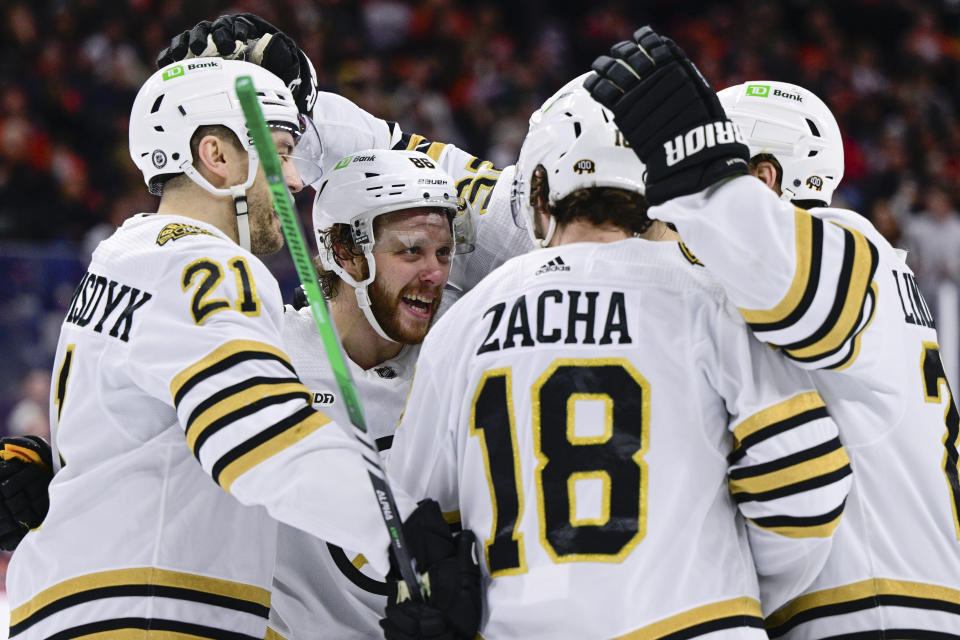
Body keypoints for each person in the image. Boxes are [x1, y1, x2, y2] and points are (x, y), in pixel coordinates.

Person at [4, 58, 476, 640]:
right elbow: (256, 435)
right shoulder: (204, 263)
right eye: (278, 152)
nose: (296, 179)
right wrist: (407, 542)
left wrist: (40, 469)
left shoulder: (123, 257)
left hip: (74, 606)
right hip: (152, 613)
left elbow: (138, 437)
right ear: (216, 157)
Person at [385, 78, 852, 639]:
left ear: (539, 188)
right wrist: (741, 592)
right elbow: (808, 485)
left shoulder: (466, 319)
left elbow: (417, 517)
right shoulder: (719, 301)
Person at [586, 27, 960, 637]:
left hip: (872, 609)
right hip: (890, 598)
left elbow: (792, 289)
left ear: (761, 181)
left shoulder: (843, 244)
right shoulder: (844, 266)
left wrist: (696, 169)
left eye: (719, 172)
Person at [269, 148, 479, 639]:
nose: (435, 274)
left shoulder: (463, 349)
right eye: (411, 251)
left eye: (443, 252)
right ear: (344, 251)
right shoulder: (270, 354)